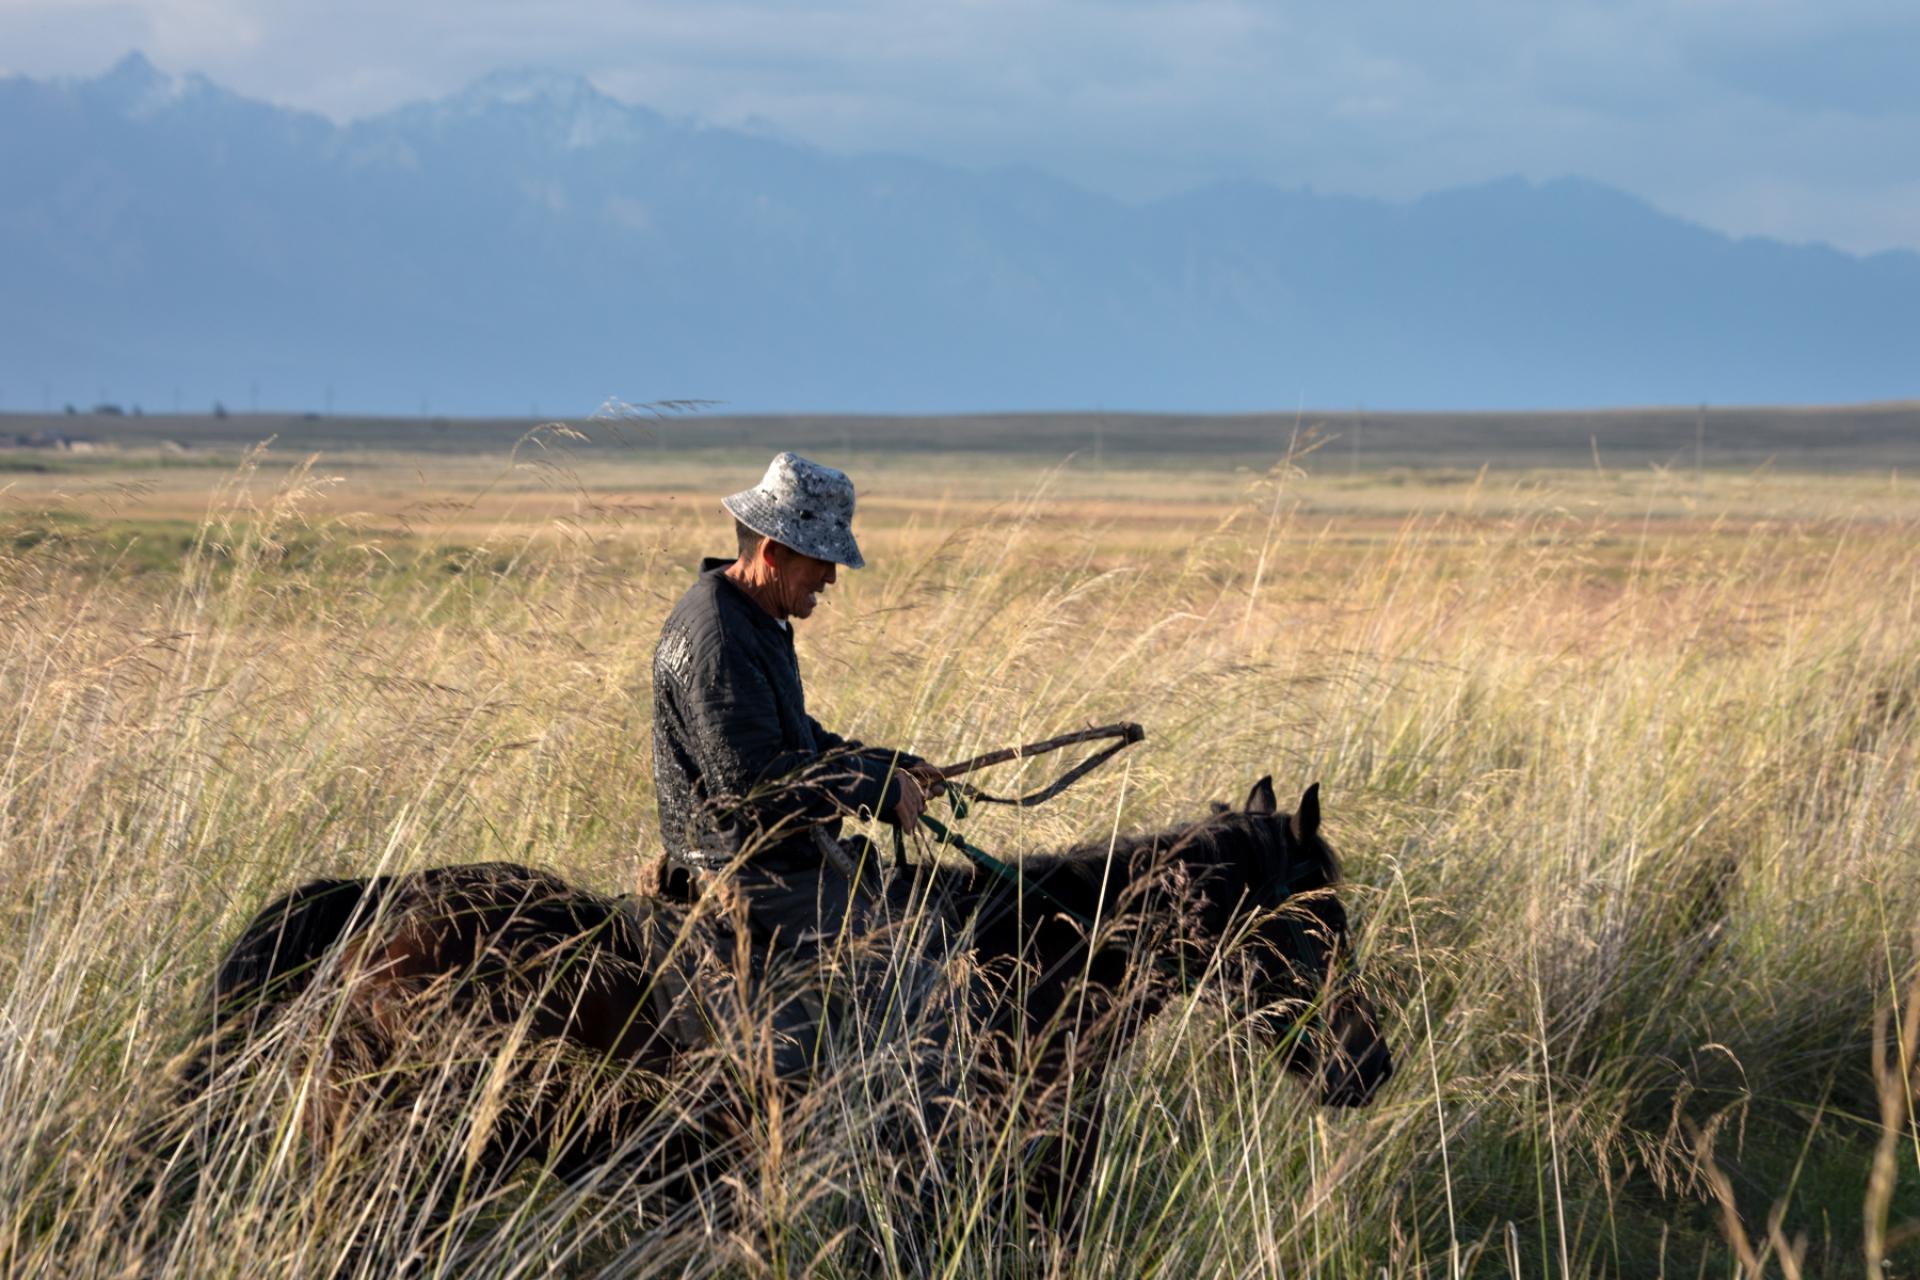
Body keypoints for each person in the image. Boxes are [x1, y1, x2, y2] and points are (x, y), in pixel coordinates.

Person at [651, 453, 948, 1074]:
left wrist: (891, 765)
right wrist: (872, 786)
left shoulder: (749, 617)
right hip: (745, 871)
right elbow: (754, 783)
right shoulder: (723, 637)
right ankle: (880, 1138)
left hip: (770, 857)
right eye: (822, 560)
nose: (832, 579)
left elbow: (795, 741)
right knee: (911, 972)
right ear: (772, 552)